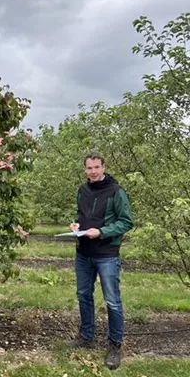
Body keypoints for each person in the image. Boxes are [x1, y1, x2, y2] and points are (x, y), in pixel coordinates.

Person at [68, 153, 133, 370]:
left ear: (104, 167)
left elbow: (126, 222)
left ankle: (115, 345)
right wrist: (76, 226)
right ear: (84, 170)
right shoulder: (83, 190)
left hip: (106, 253)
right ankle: (86, 336)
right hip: (83, 253)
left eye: (97, 167)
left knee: (112, 300)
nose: (93, 171)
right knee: (84, 295)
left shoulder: (116, 192)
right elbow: (80, 214)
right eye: (89, 168)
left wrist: (102, 232)